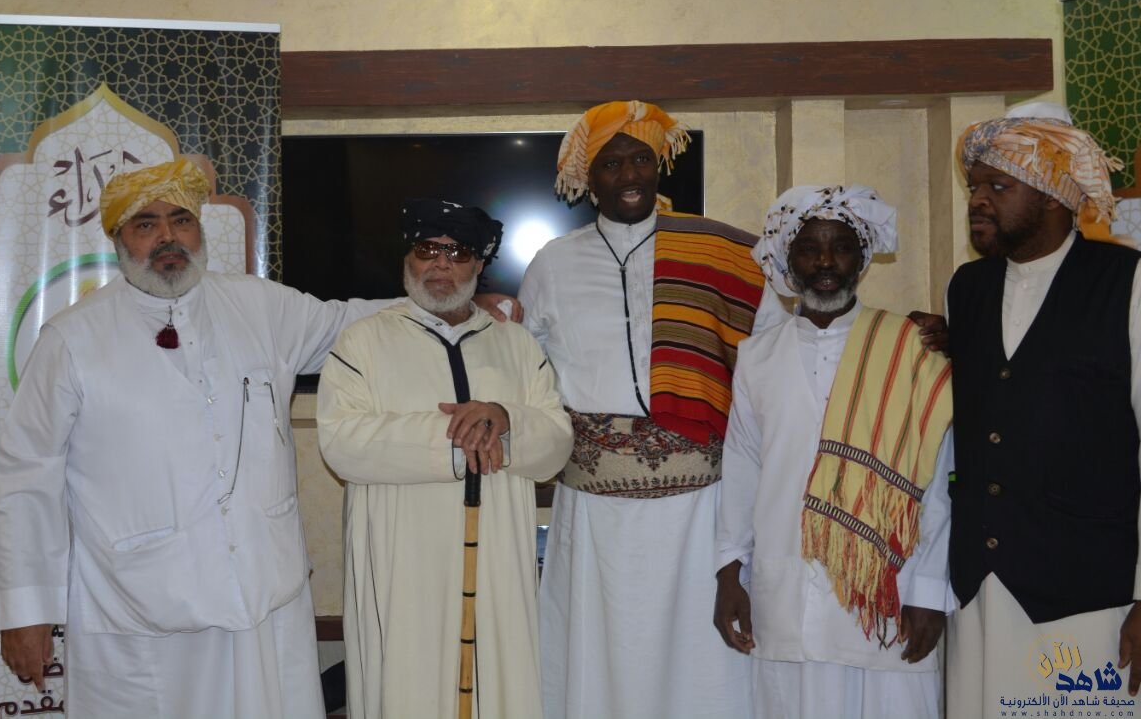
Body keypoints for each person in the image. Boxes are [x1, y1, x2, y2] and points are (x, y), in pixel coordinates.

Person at [0, 161, 518, 718]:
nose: (168, 237)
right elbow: (25, 476)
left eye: (181, 220)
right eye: (146, 224)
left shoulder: (259, 305)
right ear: (119, 239)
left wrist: (454, 306)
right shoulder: (72, 340)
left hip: (263, 597)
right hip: (139, 611)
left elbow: (352, 324)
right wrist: (25, 611)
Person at [519, 100, 788, 718]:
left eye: (641, 158)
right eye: (611, 164)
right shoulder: (555, 264)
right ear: (589, 179)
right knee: (598, 652)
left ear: (660, 165)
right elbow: (522, 365)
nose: (630, 175)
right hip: (593, 511)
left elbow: (775, 350)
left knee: (700, 658)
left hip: (701, 506)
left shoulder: (722, 252)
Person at [317, 199, 573, 719]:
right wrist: (457, 437)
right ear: (407, 260)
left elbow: (556, 442)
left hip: (498, 561)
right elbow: (342, 442)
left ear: (478, 266)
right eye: (427, 250)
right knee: (406, 684)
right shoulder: (363, 342)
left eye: (457, 253)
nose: (440, 264)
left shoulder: (517, 346)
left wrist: (505, 418)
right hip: (403, 564)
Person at [714, 185, 954, 719]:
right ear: (787, 259)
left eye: (842, 247)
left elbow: (935, 480)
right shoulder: (757, 357)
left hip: (887, 593)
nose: (825, 262)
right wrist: (730, 574)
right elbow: (742, 469)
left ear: (862, 258)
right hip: (785, 586)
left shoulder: (908, 348)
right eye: (809, 249)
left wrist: (929, 592)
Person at [945, 112, 1141, 716]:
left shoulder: (1127, 283)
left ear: (1054, 196)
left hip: (1090, 597)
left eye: (998, 186)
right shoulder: (966, 289)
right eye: (975, 186)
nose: (977, 200)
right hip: (981, 591)